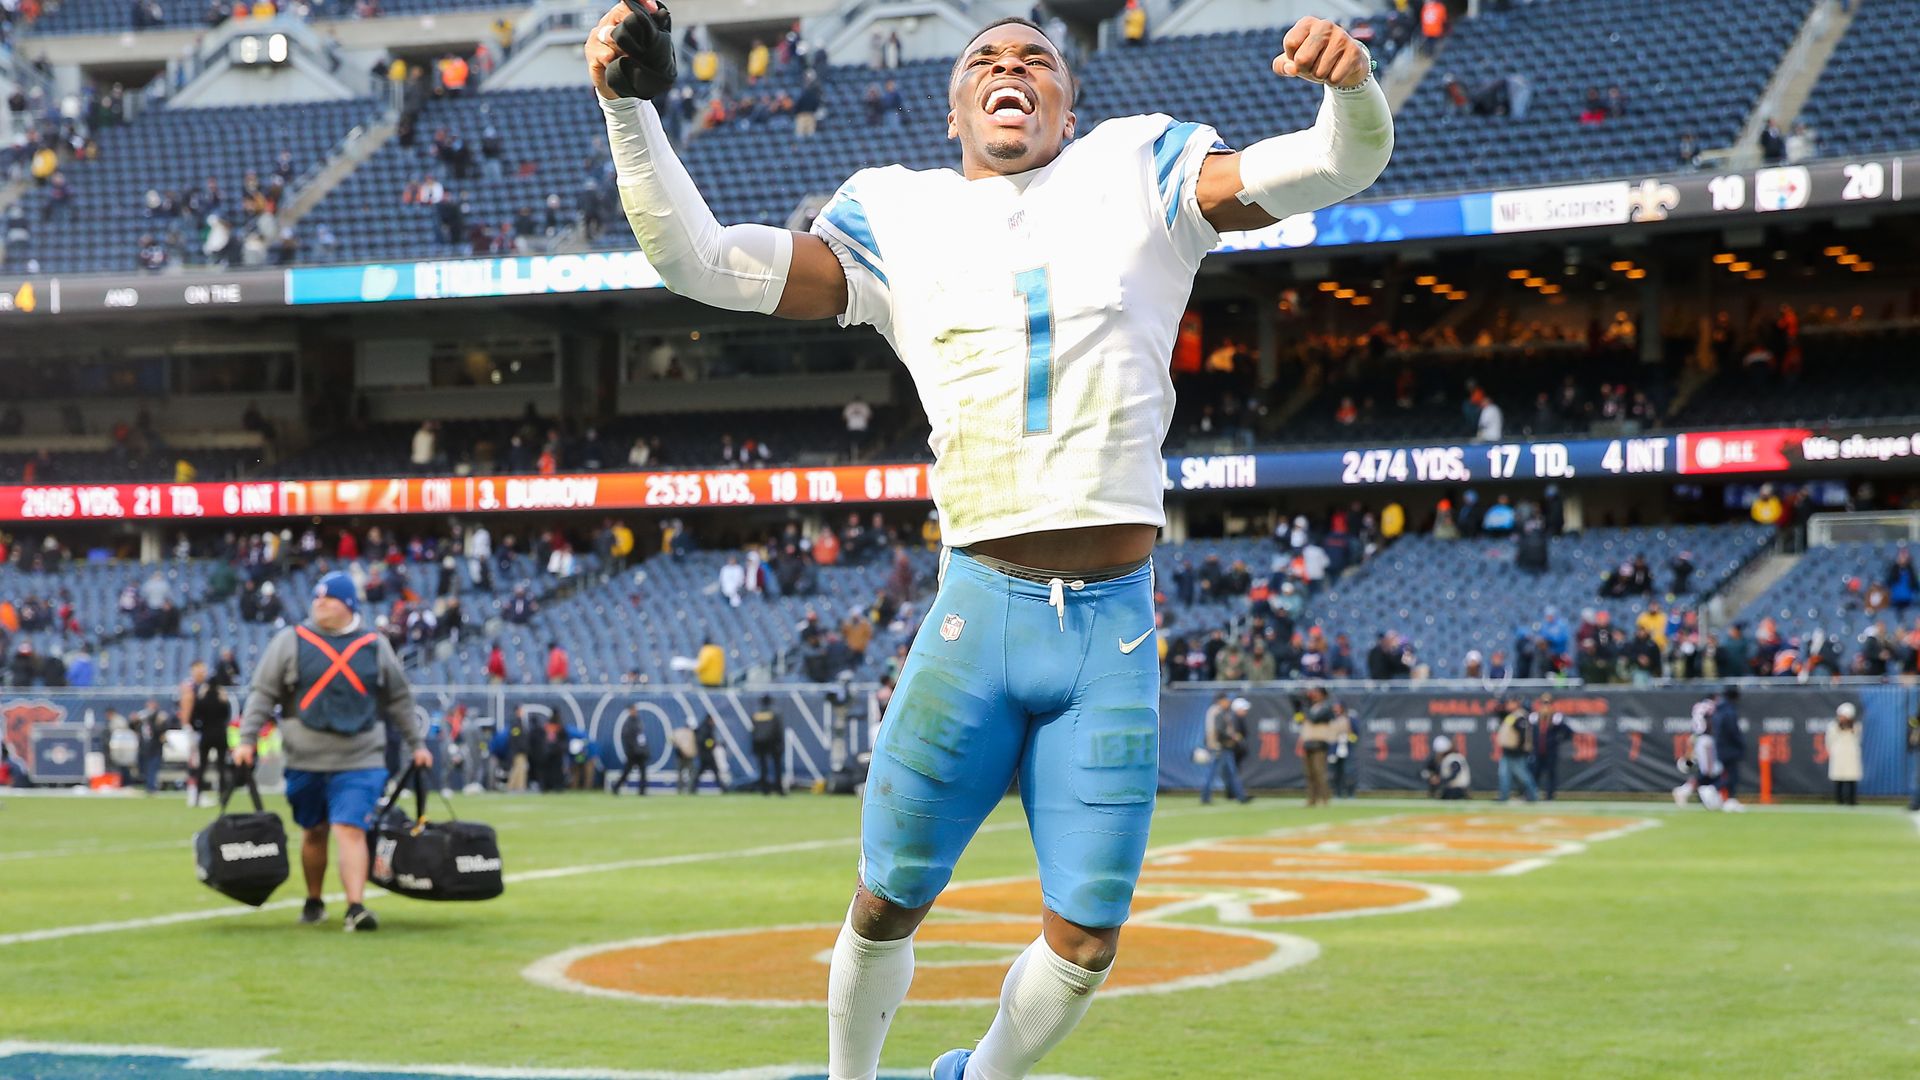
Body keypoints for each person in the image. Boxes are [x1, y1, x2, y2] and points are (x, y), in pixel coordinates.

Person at [589, 8, 1389, 1078]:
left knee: (1088, 939)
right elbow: (698, 260)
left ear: (1069, 106)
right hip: (980, 607)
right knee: (886, 898)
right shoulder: (897, 214)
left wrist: (1352, 86)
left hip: (1110, 626)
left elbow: (1340, 161)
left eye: (1036, 58)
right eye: (985, 60)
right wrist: (629, 109)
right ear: (954, 110)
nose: (1011, 66)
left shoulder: (1139, 168)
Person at [235, 572, 430, 931]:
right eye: (317, 597)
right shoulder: (291, 641)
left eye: (329, 597)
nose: (320, 603)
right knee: (313, 830)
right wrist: (247, 740)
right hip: (305, 758)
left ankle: (355, 906)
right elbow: (263, 693)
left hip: (361, 756)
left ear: (349, 604)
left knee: (349, 827)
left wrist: (417, 745)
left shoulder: (374, 645)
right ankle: (314, 899)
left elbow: (399, 699)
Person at [181, 660, 230, 807]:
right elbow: (188, 708)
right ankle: (195, 794)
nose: (203, 673)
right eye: (200, 670)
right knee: (197, 763)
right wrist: (189, 726)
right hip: (203, 732)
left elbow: (196, 712)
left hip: (203, 732)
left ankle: (197, 794)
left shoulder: (203, 690)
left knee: (200, 764)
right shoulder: (191, 687)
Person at [1199, 695, 1253, 805]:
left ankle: (1239, 795)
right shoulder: (1218, 712)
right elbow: (1218, 730)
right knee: (1215, 772)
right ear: (1221, 701)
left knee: (1228, 772)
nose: (1228, 702)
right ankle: (1239, 796)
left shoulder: (1216, 711)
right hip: (1221, 747)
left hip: (1221, 746)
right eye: (1226, 700)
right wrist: (1232, 737)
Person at [1296, 686, 1336, 806]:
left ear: (1324, 695)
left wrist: (1305, 706)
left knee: (1320, 772)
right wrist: (1304, 698)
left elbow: (1314, 718)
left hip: (1319, 743)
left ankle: (1324, 799)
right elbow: (1293, 700)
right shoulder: (1311, 707)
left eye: (1317, 693)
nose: (1314, 695)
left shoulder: (1327, 708)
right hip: (1308, 742)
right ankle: (1311, 799)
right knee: (1309, 773)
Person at [1494, 698, 1539, 802]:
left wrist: (1519, 749)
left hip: (1516, 753)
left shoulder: (1520, 717)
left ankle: (1533, 796)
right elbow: (1497, 713)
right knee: (1504, 776)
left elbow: (1523, 735)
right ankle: (1503, 797)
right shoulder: (1512, 715)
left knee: (1523, 776)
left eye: (1511, 702)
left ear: (1517, 704)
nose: (1508, 704)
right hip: (1507, 752)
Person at [1712, 687, 1748, 812]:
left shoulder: (1719, 709)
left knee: (1727, 773)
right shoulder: (1729, 711)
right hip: (1729, 748)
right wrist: (1741, 744)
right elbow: (1733, 731)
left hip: (1721, 747)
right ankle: (1716, 790)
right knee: (1732, 775)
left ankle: (1727, 799)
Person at [1826, 702, 1863, 807]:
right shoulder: (1833, 726)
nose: (1842, 718)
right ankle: (1839, 800)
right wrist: (1832, 751)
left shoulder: (1856, 726)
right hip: (1838, 754)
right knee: (1838, 778)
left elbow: (1858, 737)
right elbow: (1829, 740)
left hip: (1851, 754)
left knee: (1852, 777)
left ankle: (1852, 800)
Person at [751, 694, 786, 795]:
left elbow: (753, 730)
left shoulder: (756, 713)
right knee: (777, 767)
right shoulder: (775, 713)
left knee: (763, 767)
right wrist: (781, 744)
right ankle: (778, 788)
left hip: (760, 743)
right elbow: (779, 729)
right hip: (774, 743)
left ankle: (765, 789)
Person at [611, 705, 649, 794]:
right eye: (633, 710)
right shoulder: (628, 723)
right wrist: (634, 749)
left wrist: (644, 749)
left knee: (642, 771)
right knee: (627, 771)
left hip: (640, 752)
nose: (635, 711)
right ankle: (616, 787)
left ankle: (642, 791)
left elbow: (641, 737)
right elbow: (627, 738)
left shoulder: (638, 721)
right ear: (630, 711)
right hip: (633, 753)